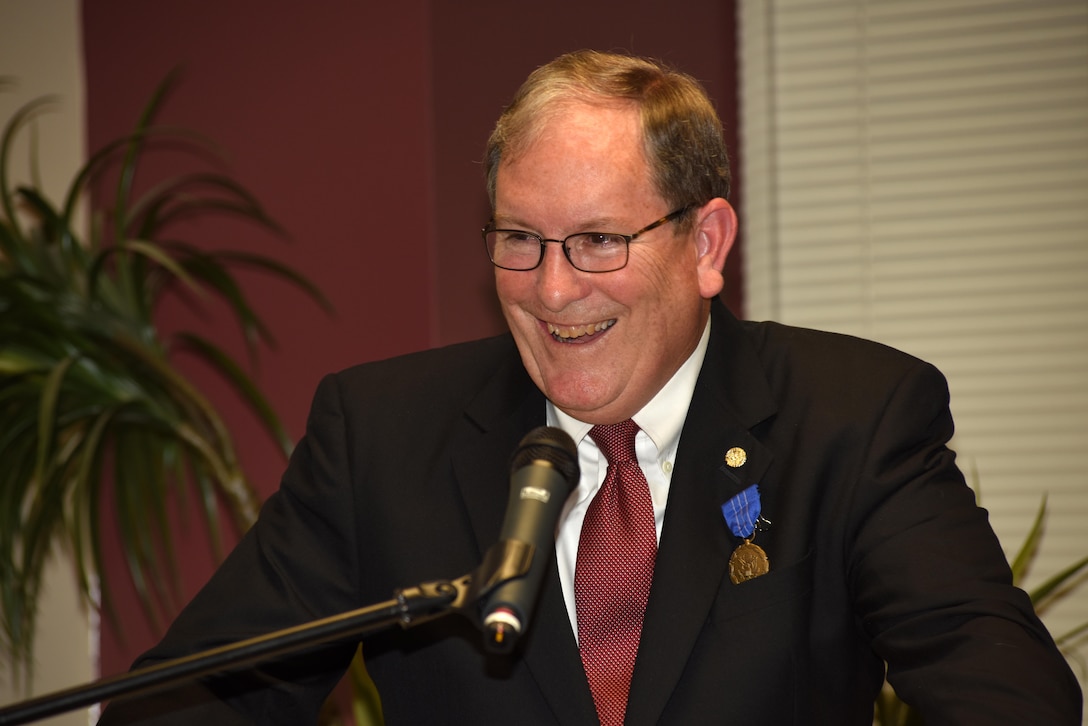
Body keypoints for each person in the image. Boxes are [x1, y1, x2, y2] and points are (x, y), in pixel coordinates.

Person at [98, 50, 1082, 725]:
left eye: (598, 241)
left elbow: (1003, 694)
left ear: (704, 244)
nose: (554, 288)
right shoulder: (382, 434)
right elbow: (188, 700)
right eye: (518, 239)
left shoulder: (850, 417)